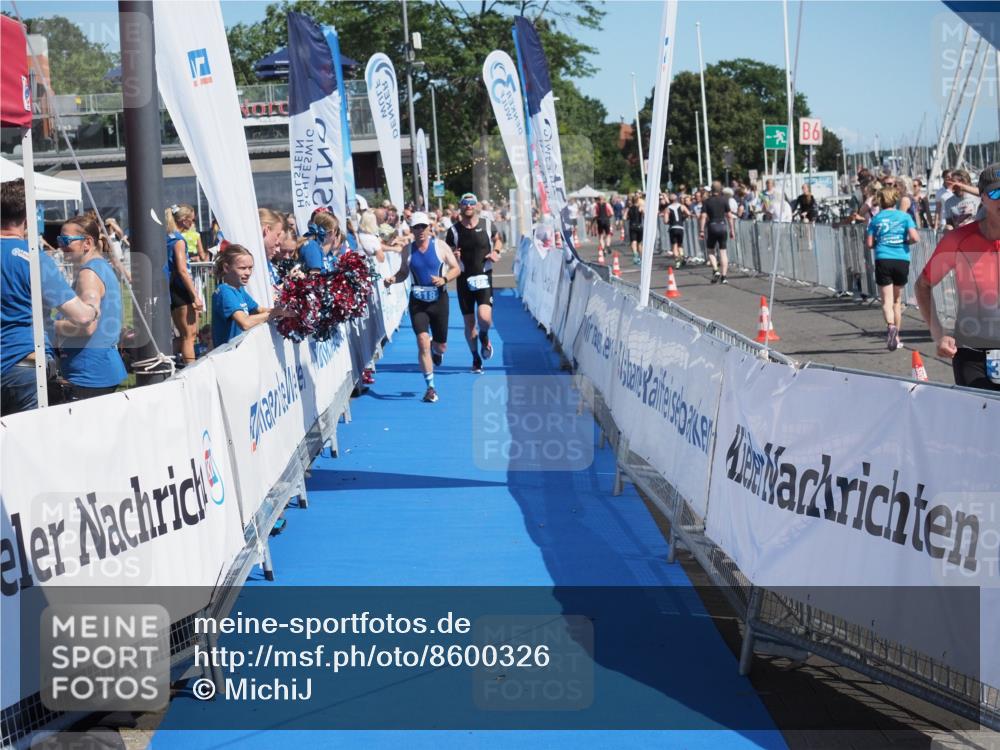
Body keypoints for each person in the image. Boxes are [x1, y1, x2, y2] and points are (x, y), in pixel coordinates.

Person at [1, 180, 102, 415]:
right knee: (29, 444)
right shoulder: (33, 259)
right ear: (27, 217)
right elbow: (79, 315)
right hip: (24, 366)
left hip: (21, 365)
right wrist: (93, 308)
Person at [915, 164, 1000, 391]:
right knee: (977, 424)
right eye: (996, 193)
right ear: (982, 197)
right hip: (973, 354)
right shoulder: (959, 240)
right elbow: (923, 285)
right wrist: (939, 335)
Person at [384, 212, 461, 402]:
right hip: (418, 301)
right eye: (416, 227)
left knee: (441, 346)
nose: (420, 231)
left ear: (429, 228)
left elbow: (456, 268)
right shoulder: (407, 250)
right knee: (422, 342)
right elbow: (403, 272)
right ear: (411, 230)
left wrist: (444, 279)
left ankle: (437, 350)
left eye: (423, 227)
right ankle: (431, 388)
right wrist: (393, 279)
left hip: (439, 300)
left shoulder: (440, 246)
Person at [54, 214, 127, 400]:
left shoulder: (89, 273)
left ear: (87, 243)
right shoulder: (100, 266)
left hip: (89, 373)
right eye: (59, 239)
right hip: (97, 369)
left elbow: (86, 325)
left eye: (65, 240)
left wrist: (46, 326)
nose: (60, 246)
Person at [446, 193, 503, 373]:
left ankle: (484, 336)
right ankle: (476, 358)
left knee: (484, 318)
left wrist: (497, 252)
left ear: (476, 205)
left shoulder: (486, 224)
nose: (468, 206)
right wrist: (453, 256)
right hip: (464, 280)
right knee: (469, 324)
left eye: (471, 203)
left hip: (484, 277)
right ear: (460, 206)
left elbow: (498, 240)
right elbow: (447, 253)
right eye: (465, 203)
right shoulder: (453, 231)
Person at [865, 187, 920, 351]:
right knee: (897, 301)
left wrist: (880, 243)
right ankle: (897, 337)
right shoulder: (904, 216)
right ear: (895, 200)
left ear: (880, 201)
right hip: (901, 259)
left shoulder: (876, 219)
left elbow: (869, 244)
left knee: (886, 301)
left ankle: (890, 326)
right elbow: (915, 238)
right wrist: (904, 243)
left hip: (883, 258)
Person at [211, 244, 284, 349]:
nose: (248, 273)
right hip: (228, 358)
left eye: (250, 268)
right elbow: (245, 323)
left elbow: (259, 310)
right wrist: (275, 312)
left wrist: (284, 310)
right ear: (226, 268)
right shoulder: (224, 292)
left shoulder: (239, 289)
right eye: (242, 268)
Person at [165, 204, 204, 364]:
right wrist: (195, 296)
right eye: (192, 219)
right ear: (185, 221)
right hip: (181, 289)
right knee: (189, 335)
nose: (193, 223)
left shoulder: (168, 237)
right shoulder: (178, 240)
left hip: (174, 287)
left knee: (185, 334)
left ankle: (164, 360)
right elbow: (182, 269)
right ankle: (191, 369)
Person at [699, 181, 735, 284]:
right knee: (723, 252)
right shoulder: (724, 200)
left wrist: (701, 230)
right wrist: (732, 230)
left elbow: (703, 216)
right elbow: (729, 216)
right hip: (723, 226)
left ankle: (715, 270)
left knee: (711, 251)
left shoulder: (707, 202)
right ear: (720, 190)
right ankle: (724, 277)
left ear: (711, 189)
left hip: (712, 226)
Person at [298, 209, 341, 273]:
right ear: (332, 232)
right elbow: (314, 279)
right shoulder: (312, 247)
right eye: (337, 232)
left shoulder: (322, 250)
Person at [665, 193, 690, 267]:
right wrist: (683, 218)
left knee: (674, 245)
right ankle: (682, 256)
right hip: (680, 227)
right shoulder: (682, 206)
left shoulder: (667, 208)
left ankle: (677, 262)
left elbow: (665, 221)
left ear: (670, 200)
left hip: (673, 228)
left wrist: (671, 221)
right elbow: (688, 213)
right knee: (680, 244)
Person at [626, 194, 644, 264]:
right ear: (638, 200)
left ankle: (635, 254)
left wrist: (629, 217)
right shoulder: (640, 208)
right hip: (639, 226)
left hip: (632, 226)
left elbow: (624, 217)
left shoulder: (629, 208)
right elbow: (644, 214)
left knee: (633, 241)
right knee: (639, 243)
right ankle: (641, 257)